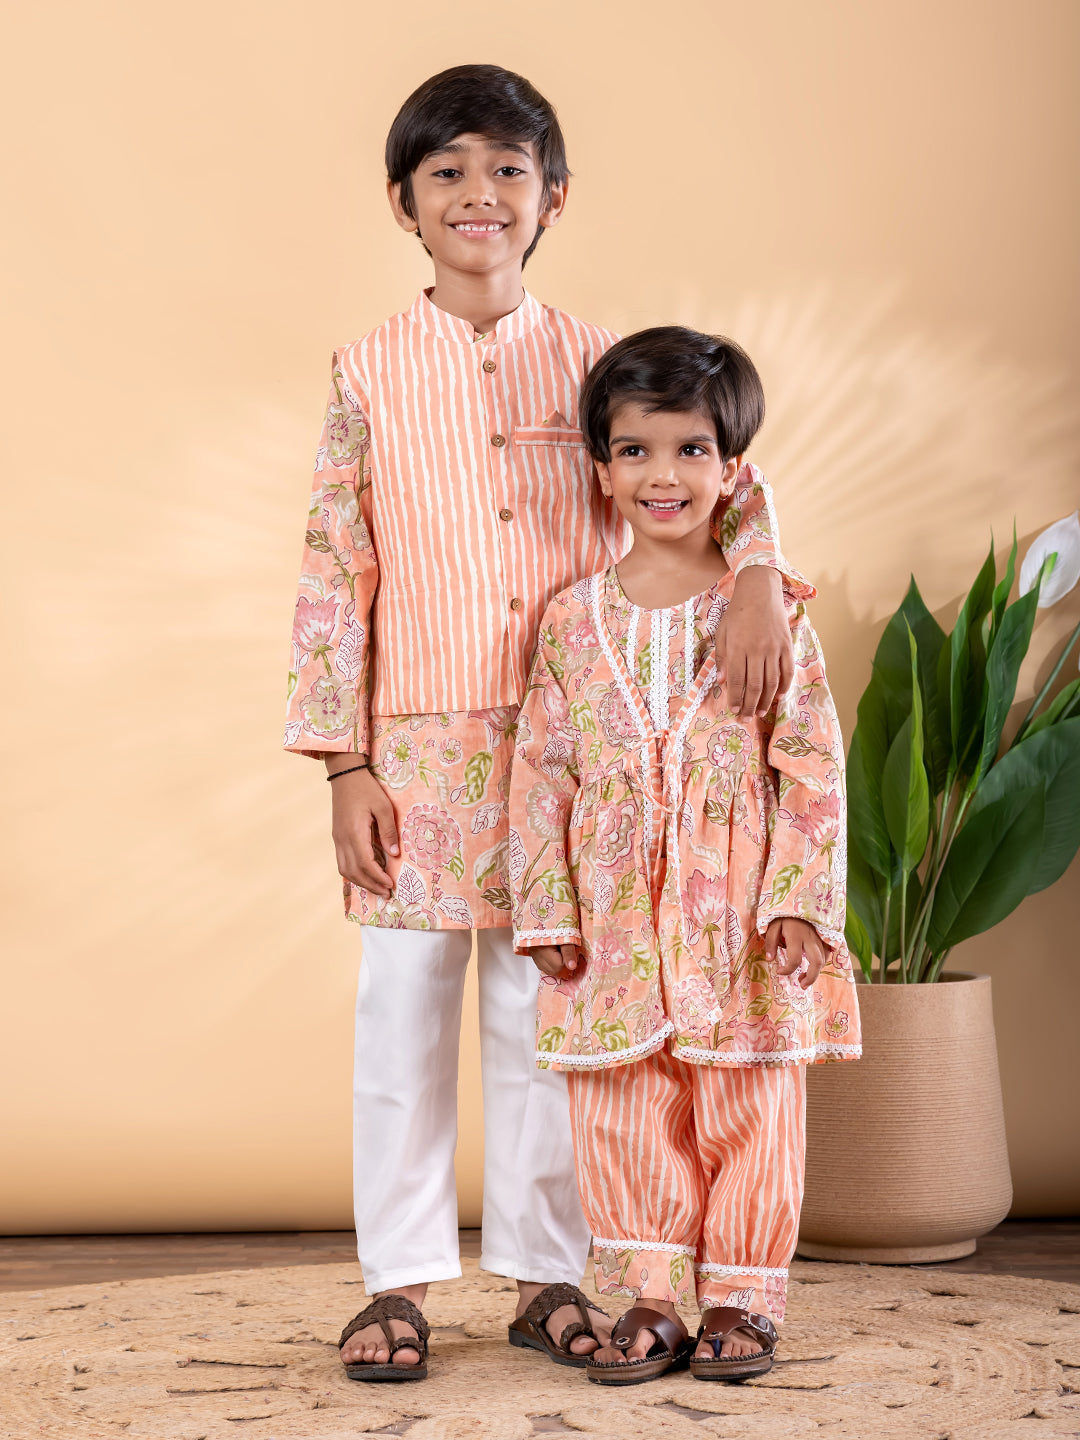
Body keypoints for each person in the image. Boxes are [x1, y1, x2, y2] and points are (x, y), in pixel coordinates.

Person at [284, 65, 807, 1381]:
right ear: (402, 201)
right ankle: (396, 1283)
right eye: (448, 172)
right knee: (403, 1010)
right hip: (419, 747)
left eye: (508, 170)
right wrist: (343, 764)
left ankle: (544, 1274)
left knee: (548, 1005)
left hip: (589, 748)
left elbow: (722, 465)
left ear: (554, 198)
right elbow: (335, 567)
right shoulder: (367, 371)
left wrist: (758, 576)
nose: (480, 195)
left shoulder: (596, 361)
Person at [510, 326, 861, 1386]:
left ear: (732, 468)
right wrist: (547, 905)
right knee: (624, 1107)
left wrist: (798, 899)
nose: (662, 476)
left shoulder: (769, 618)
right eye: (635, 451)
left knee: (750, 1104)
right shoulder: (571, 622)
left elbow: (812, 763)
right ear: (601, 469)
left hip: (737, 919)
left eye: (691, 450)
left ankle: (742, 1298)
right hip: (613, 922)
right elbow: (542, 770)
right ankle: (654, 1297)